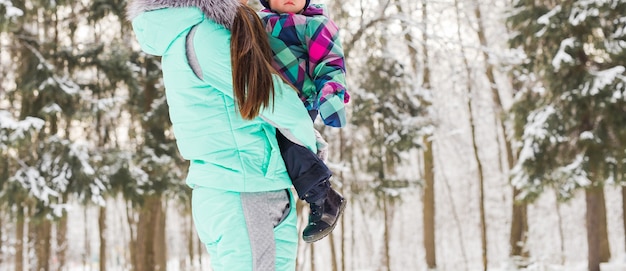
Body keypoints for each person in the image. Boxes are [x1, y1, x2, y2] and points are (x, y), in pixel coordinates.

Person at [128, 0, 321, 269]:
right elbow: (272, 99)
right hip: (247, 190)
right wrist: (314, 154)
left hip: (226, 190)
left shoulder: (181, 33)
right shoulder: (208, 37)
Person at [256, 0, 350, 243]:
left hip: (300, 100)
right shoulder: (256, 23)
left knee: (291, 147)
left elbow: (330, 64)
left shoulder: (314, 25)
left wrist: (330, 96)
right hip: (268, 100)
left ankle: (323, 198)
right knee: (275, 148)